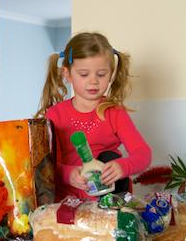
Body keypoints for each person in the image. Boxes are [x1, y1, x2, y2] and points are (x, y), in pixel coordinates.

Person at [36, 31, 152, 201]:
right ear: (67, 74)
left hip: (107, 203)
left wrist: (123, 166)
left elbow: (143, 154)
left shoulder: (114, 112)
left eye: (101, 74)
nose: (93, 81)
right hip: (66, 201)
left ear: (111, 73)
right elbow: (46, 165)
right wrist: (68, 174)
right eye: (84, 74)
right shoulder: (55, 115)